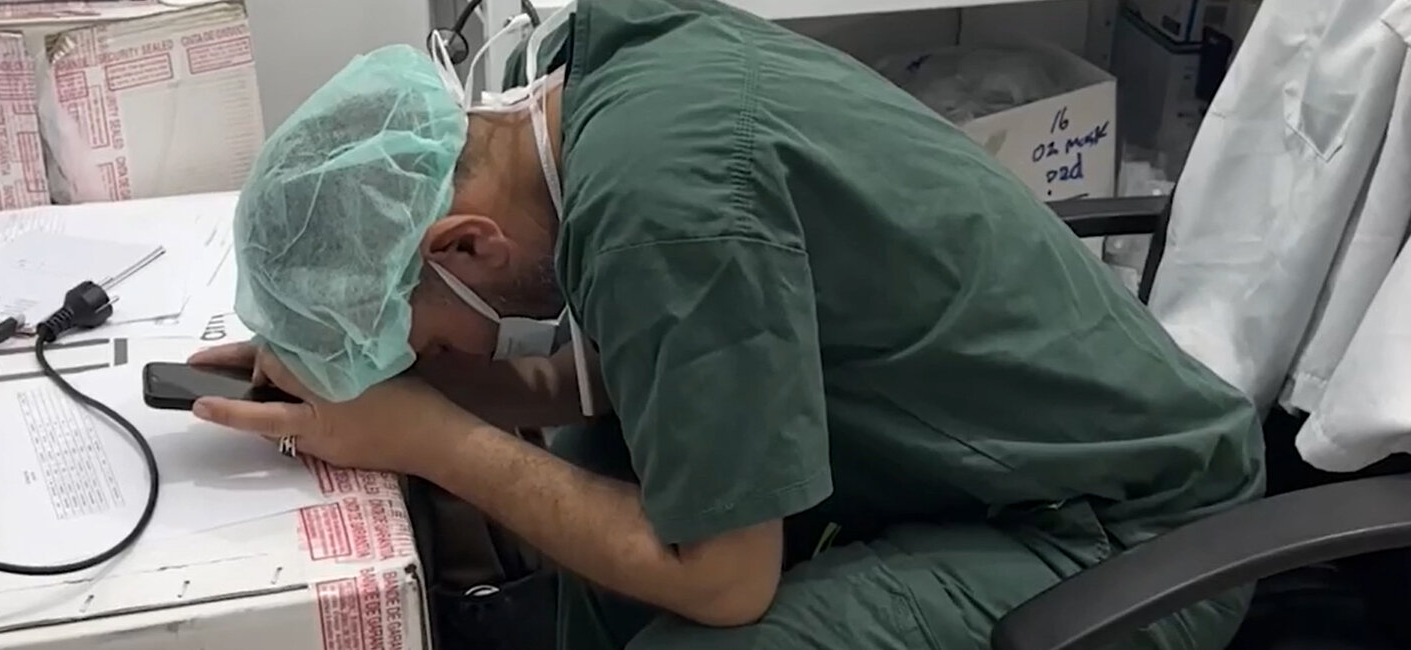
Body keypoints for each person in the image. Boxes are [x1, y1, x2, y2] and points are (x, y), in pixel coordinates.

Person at [187, 0, 1266, 647]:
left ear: (465, 246)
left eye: (416, 339)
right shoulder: (609, 98)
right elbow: (611, 377)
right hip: (988, 454)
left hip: (1123, 534)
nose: (429, 359)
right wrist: (378, 394)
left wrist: (427, 438)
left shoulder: (664, 216)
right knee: (598, 449)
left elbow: (723, 576)